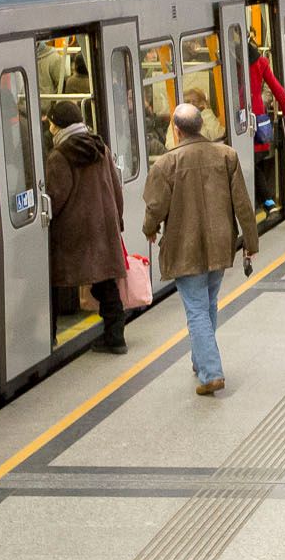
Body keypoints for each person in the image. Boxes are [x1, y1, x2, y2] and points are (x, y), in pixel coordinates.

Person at [142, 102, 259, 396]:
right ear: (201, 126)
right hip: (221, 245)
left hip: (184, 247)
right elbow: (243, 205)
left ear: (176, 130)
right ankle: (200, 358)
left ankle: (211, 373)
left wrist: (149, 230)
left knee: (196, 309)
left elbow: (155, 208)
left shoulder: (166, 164)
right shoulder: (226, 155)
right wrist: (250, 245)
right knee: (208, 303)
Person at [44, 100, 129, 355]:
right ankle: (116, 336)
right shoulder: (99, 146)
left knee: (55, 283)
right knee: (105, 282)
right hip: (103, 223)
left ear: (57, 125)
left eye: (50, 123)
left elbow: (56, 197)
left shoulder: (59, 156)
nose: (48, 129)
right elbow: (115, 186)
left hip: (75, 229)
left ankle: (49, 337)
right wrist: (118, 218)